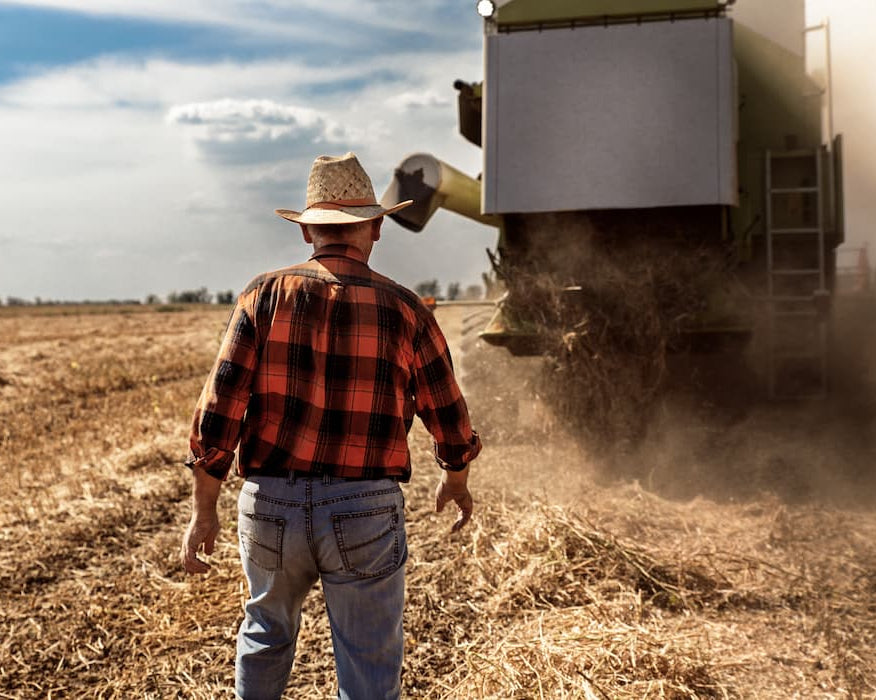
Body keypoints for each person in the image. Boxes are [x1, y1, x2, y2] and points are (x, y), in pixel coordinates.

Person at [179, 152, 482, 700]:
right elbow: (448, 412)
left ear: (307, 233)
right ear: (377, 227)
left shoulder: (262, 296)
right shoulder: (407, 309)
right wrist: (456, 477)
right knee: (368, 657)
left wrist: (204, 511)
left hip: (270, 503)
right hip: (364, 507)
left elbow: (219, 412)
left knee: (266, 634)